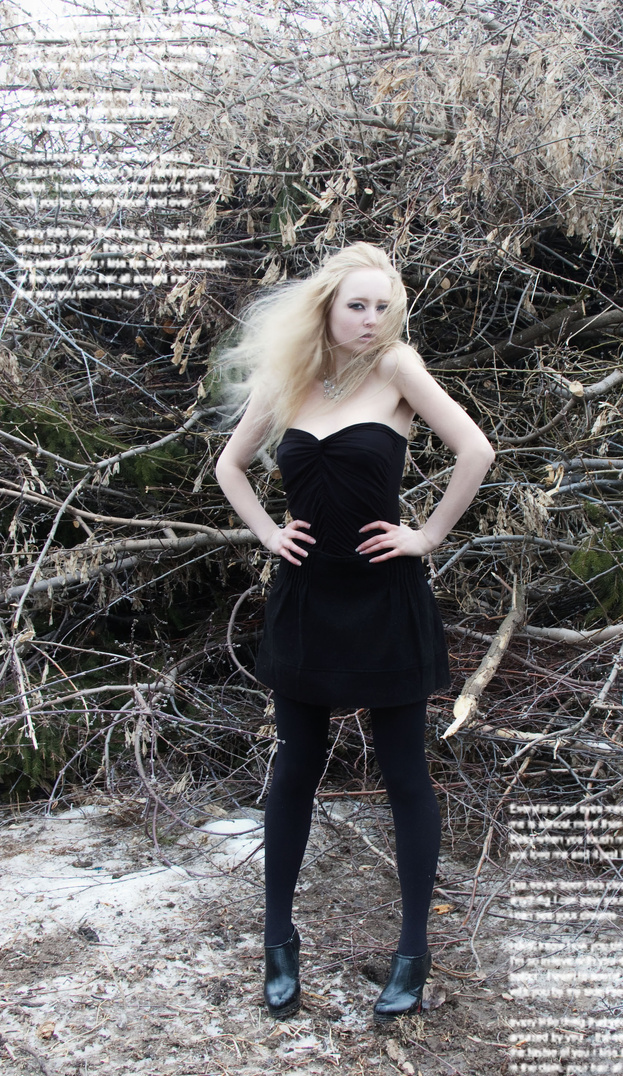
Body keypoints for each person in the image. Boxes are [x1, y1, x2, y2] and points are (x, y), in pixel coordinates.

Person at [215, 243, 494, 1023]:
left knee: (404, 772)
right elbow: (231, 466)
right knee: (294, 768)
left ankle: (412, 951)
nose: (371, 319)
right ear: (327, 308)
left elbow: (476, 449)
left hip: (384, 597)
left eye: (382, 307)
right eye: (357, 305)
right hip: (306, 597)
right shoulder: (290, 377)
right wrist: (269, 532)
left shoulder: (398, 367)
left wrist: (427, 535)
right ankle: (278, 941)